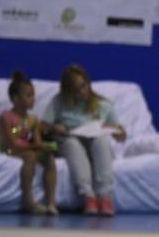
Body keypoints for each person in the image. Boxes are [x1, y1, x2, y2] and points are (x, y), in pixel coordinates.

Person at [43, 65, 126, 216]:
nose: (82, 91)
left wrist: (115, 129)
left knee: (101, 141)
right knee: (71, 143)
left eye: (83, 85)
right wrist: (55, 127)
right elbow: (43, 126)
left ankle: (104, 195)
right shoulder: (58, 102)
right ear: (68, 92)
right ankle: (88, 196)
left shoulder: (103, 104)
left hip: (94, 141)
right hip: (70, 139)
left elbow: (121, 136)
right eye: (76, 90)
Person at [0, 71, 57, 215]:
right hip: (10, 150)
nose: (33, 99)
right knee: (30, 156)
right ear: (15, 98)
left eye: (33, 95)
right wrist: (34, 147)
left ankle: (50, 202)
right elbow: (11, 144)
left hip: (26, 149)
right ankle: (28, 201)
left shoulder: (33, 119)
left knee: (48, 158)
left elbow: (37, 141)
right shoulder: (6, 117)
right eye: (28, 95)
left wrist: (44, 147)